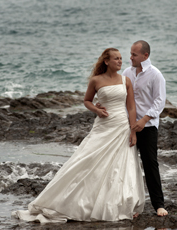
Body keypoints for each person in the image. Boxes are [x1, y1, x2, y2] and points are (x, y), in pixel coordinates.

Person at [11, 48, 145, 223]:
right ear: (106, 61)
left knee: (121, 166)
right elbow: (86, 101)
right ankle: (74, 201)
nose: (120, 61)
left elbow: (131, 107)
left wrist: (133, 131)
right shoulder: (96, 80)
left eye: (121, 58)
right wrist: (96, 109)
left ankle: (119, 203)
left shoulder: (126, 81)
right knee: (86, 160)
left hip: (121, 127)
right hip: (103, 127)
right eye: (116, 58)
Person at [123, 40, 168, 216]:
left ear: (145, 55)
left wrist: (144, 119)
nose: (130, 57)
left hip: (147, 126)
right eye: (131, 53)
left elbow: (160, 101)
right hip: (128, 126)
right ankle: (131, 205)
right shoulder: (127, 72)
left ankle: (159, 205)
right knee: (128, 164)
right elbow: (123, 97)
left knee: (150, 164)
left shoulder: (156, 75)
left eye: (134, 54)